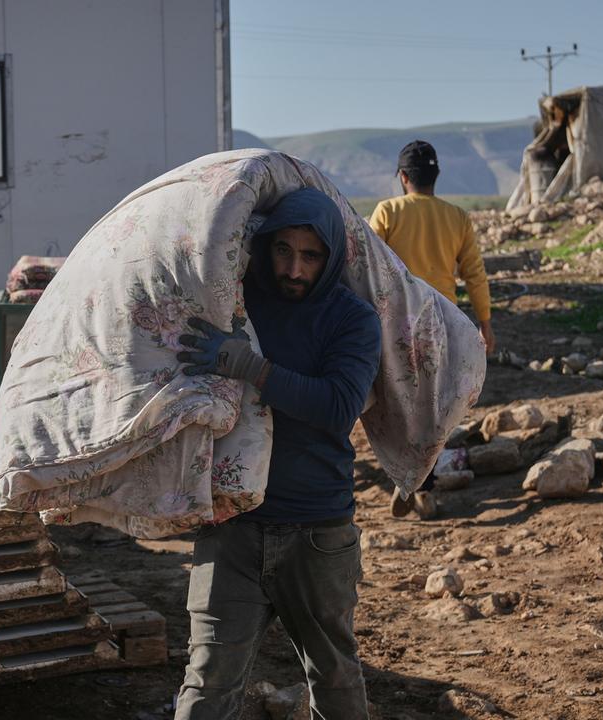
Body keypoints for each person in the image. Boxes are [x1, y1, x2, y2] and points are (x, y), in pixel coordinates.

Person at [171, 187, 381, 720]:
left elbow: (338, 405)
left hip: (317, 530)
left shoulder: (351, 319)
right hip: (232, 526)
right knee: (208, 678)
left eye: (310, 256)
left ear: (331, 258)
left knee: (332, 672)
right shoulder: (236, 303)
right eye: (282, 250)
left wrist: (251, 368)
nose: (293, 268)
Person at [367, 140, 493, 520]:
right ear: (435, 177)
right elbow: (474, 274)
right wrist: (485, 323)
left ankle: (411, 479)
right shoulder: (457, 217)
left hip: (396, 325)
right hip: (445, 326)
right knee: (434, 407)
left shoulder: (388, 211)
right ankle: (421, 482)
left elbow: (365, 264)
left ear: (403, 177)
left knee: (397, 403)